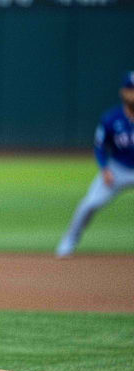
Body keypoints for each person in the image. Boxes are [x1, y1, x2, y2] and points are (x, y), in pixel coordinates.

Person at [57, 71, 134, 258]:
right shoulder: (111, 118)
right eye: (130, 89)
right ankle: (68, 242)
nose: (133, 94)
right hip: (117, 169)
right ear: (123, 92)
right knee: (89, 205)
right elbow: (100, 147)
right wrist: (104, 168)